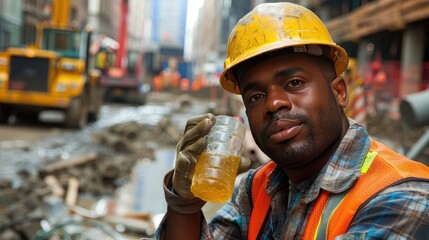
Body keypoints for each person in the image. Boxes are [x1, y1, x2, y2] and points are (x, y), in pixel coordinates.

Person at [152, 2, 429, 239]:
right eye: (256, 96)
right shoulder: (258, 188)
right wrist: (184, 206)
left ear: (339, 92)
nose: (273, 104)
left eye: (294, 82)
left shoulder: (404, 196)